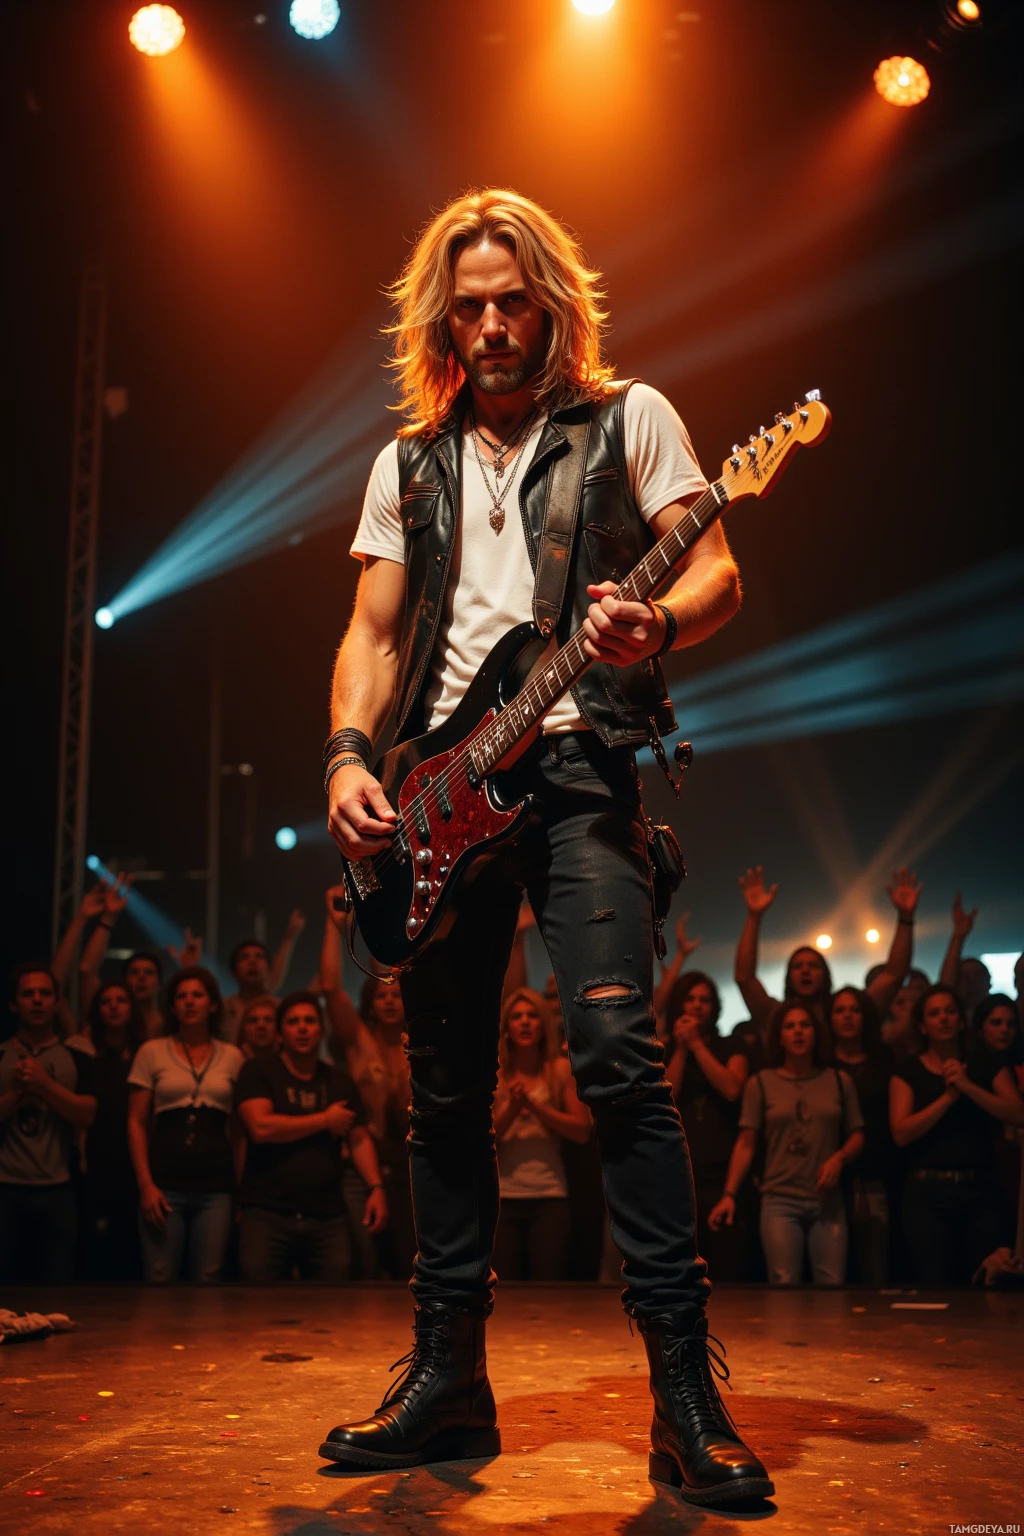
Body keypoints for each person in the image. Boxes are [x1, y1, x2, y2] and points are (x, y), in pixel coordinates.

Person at [320, 188, 772, 1505]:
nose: (494, 323)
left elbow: (721, 569)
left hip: (581, 770)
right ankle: (448, 1380)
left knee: (621, 1060)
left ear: (553, 302)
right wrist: (353, 756)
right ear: (441, 317)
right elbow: (372, 628)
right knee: (443, 1092)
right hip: (442, 793)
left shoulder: (631, 420)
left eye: (514, 298)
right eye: (469, 305)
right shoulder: (408, 463)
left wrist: (662, 627)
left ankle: (685, 1395)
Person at [235, 992, 387, 1283]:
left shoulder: (338, 1080)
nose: (302, 1028)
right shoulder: (258, 1071)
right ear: (280, 1032)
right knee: (256, 1306)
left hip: (326, 1215)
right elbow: (261, 1128)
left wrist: (376, 1187)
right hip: (267, 1212)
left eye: (309, 1021)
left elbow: (359, 1139)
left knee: (334, 1308)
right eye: (293, 1022)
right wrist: (324, 1120)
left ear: (321, 1029)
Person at [709, 1002, 864, 1286]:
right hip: (779, 1198)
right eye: (790, 1026)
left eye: (805, 1025)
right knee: (784, 1283)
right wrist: (729, 1193)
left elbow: (858, 1134)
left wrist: (839, 1158)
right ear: (779, 1036)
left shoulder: (839, 1081)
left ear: (816, 1033)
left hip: (826, 1200)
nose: (798, 1032)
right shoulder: (762, 1083)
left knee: (831, 1284)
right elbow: (746, 1142)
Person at [890, 985, 1023, 1284]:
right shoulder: (907, 1069)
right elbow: (901, 1132)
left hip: (981, 1189)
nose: (944, 1019)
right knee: (934, 1282)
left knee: (986, 1281)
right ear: (923, 1026)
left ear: (962, 1020)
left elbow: (1018, 1113)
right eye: (934, 1014)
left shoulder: (984, 1062)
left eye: (950, 1011)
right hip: (927, 1192)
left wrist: (968, 1087)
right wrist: (948, 1098)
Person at [320, 888, 415, 1281]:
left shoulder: (420, 1042)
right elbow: (330, 990)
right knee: (366, 1267)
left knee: (413, 1263)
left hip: (412, 1165)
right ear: (371, 1004)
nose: (389, 1002)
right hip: (365, 1164)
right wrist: (334, 922)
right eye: (381, 996)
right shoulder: (361, 1043)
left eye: (396, 995)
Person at [127, 967, 244, 1283]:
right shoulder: (151, 1051)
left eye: (197, 995)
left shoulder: (232, 1056)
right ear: (172, 1006)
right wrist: (145, 1184)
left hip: (215, 1187)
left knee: (209, 1277)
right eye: (181, 996)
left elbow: (238, 1132)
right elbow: (136, 1121)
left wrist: (240, 1187)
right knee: (159, 1275)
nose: (189, 1002)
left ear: (213, 1004)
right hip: (165, 1184)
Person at [734, 865, 922, 1038]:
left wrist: (906, 919)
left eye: (813, 966)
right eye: (798, 966)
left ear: (826, 974)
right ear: (788, 976)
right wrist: (753, 917)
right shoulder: (775, 1014)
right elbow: (745, 979)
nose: (805, 970)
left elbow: (894, 975)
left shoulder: (846, 1011)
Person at [0, 964, 95, 1282]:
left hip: (59, 1190)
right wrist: (15, 1094)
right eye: (28, 994)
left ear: (56, 1002)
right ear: (14, 1004)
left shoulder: (76, 1054)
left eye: (45, 994)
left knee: (58, 1291)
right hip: (5, 1188)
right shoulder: (1, 1054)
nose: (37, 1000)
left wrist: (44, 1086)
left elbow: (87, 1114)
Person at [492, 987, 589, 1280]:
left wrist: (534, 1106)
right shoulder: (494, 1075)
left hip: (549, 1194)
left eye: (532, 1016)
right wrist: (512, 1109)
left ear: (542, 1025)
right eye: (517, 1016)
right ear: (506, 1027)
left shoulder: (558, 1070)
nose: (524, 1022)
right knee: (504, 1289)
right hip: (503, 1196)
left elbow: (582, 1130)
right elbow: (482, 1138)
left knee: (549, 1287)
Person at [664, 971, 754, 1281]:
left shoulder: (732, 1045)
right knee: (683, 1266)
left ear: (715, 1006)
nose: (697, 1006)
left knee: (728, 1265)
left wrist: (698, 1045)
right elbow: (667, 1097)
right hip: (680, 1172)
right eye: (690, 999)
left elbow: (732, 1088)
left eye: (705, 1000)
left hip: (724, 1171)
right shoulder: (666, 1048)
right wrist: (681, 1048)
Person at [73, 981, 145, 1279]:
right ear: (96, 1010)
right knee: (95, 1250)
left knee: (133, 1249)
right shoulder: (85, 1056)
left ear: (133, 1008)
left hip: (136, 1162)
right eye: (106, 1001)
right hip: (97, 1160)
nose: (114, 1006)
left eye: (121, 1000)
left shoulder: (146, 1054)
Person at [828, 987, 896, 1286]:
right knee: (833, 1273)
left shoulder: (884, 1061)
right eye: (840, 1010)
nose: (848, 1017)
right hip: (830, 1179)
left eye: (854, 1010)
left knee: (875, 1270)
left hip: (877, 1175)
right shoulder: (822, 1066)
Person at [222, 912, 306, 1044]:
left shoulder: (282, 1009)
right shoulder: (223, 1009)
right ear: (233, 972)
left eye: (259, 957)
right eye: (244, 957)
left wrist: (289, 938)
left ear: (268, 969)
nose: (252, 962)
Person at [939, 894, 992, 1015]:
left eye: (978, 974)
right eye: (963, 975)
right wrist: (958, 937)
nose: (970, 981)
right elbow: (946, 987)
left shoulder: (1004, 1014)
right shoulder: (951, 1019)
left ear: (989, 982)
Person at [238, 995, 280, 1061]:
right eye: (253, 1020)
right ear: (244, 1028)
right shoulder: (233, 1061)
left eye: (268, 1020)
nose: (261, 1025)